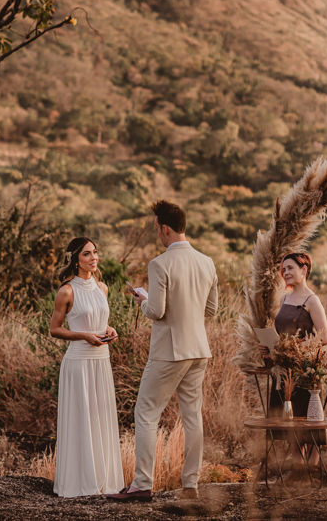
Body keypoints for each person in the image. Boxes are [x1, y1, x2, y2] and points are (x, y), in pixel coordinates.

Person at [107, 200, 219, 501]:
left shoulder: (159, 264)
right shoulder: (207, 262)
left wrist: (142, 300)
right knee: (192, 416)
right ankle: (191, 485)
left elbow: (156, 311)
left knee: (145, 412)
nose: (157, 233)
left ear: (165, 228)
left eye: (157, 228)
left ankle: (142, 484)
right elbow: (211, 309)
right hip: (199, 349)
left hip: (170, 350)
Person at [49, 237, 124, 497]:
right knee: (82, 421)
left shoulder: (102, 288)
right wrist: (84, 336)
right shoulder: (67, 291)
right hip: (79, 363)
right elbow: (55, 329)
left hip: (101, 361)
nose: (94, 258)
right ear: (75, 260)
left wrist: (109, 330)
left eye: (95, 252)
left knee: (100, 418)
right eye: (87, 254)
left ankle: (104, 481)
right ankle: (80, 484)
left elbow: (99, 320)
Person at [264, 252, 327, 417]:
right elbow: (281, 335)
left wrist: (294, 349)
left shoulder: (312, 300)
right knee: (279, 421)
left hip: (303, 373)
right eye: (284, 269)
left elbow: (324, 338)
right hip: (282, 372)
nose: (285, 273)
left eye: (290, 268)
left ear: (304, 270)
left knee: (301, 421)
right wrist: (271, 347)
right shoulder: (284, 299)